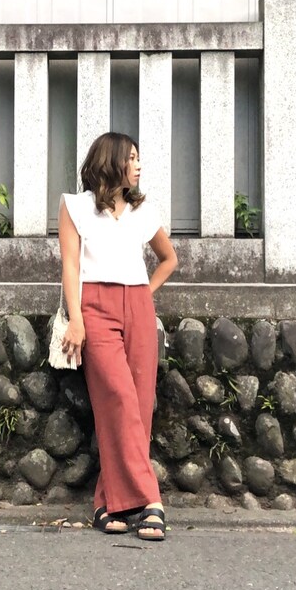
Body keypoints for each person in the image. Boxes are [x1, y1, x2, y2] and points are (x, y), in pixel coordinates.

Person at [58, 132, 178, 541]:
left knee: (138, 409)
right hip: (95, 307)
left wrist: (145, 295)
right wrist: (77, 319)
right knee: (119, 399)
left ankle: (107, 501)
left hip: (138, 307)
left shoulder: (142, 211)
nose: (139, 165)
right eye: (132, 157)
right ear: (111, 161)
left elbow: (169, 259)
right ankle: (152, 501)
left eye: (139, 158)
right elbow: (71, 267)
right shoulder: (75, 207)